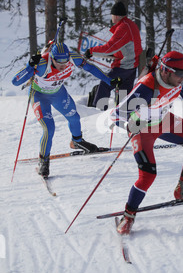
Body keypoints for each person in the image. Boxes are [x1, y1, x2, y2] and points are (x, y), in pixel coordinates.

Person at [110, 50, 183, 235]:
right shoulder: (145, 88)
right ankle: (129, 215)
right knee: (148, 176)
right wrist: (129, 124)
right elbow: (115, 115)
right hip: (142, 130)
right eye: (180, 74)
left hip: (164, 121)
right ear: (165, 71)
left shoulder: (178, 79)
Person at [12, 42, 121, 178]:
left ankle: (77, 141)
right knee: (49, 128)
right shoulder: (41, 64)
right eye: (59, 61)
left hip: (58, 93)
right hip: (40, 96)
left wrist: (109, 81)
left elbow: (90, 68)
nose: (63, 65)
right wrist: (29, 66)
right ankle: (43, 161)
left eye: (65, 60)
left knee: (74, 117)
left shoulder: (73, 57)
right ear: (52, 58)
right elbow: (15, 81)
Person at [84, 1, 143, 109]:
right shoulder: (130, 24)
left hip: (125, 66)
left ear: (115, 15)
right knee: (124, 94)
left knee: (105, 83)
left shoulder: (123, 28)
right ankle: (123, 114)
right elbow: (123, 46)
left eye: (112, 15)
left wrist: (91, 51)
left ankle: (97, 111)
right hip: (132, 65)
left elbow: (110, 47)